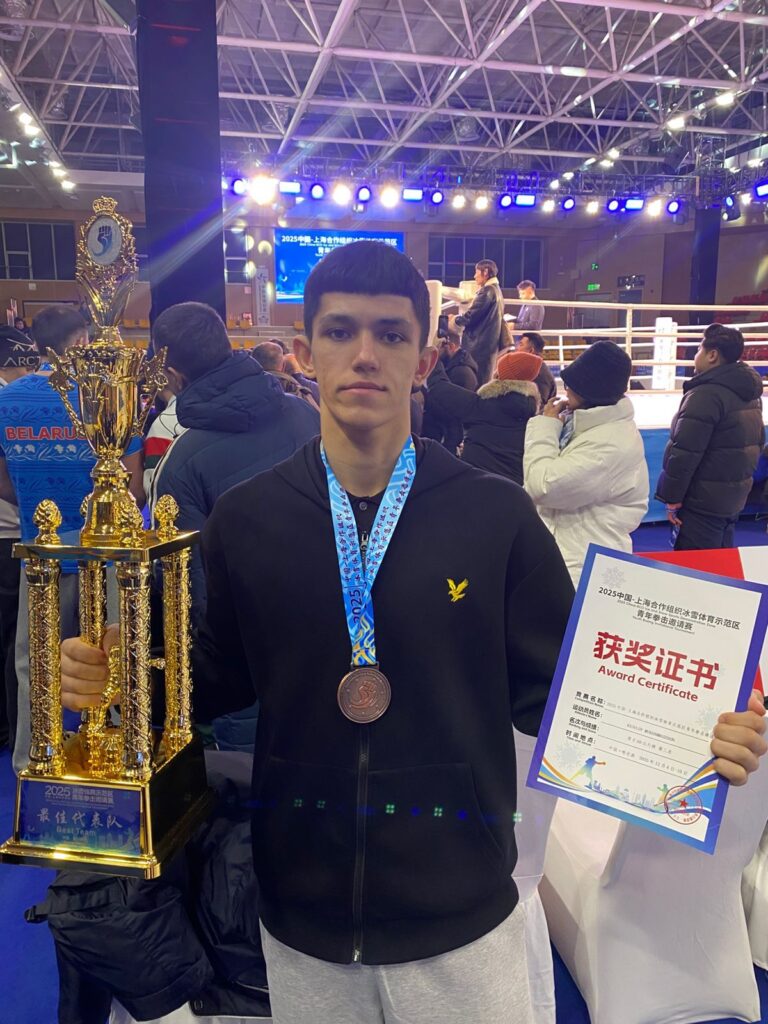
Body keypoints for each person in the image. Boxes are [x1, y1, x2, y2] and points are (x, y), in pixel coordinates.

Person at [59, 243, 768, 1024]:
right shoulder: (248, 519)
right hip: (302, 914)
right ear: (304, 354)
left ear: (424, 360)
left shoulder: (495, 516)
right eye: (340, 331)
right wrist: (125, 681)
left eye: (391, 335)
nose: (365, 354)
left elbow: (561, 695)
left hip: (462, 916)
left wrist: (693, 735)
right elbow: (218, 678)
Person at [0, 306, 144, 773]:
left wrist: (36, 501)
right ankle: (124, 759)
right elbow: (134, 486)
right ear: (81, 341)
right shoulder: (108, 394)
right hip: (108, 555)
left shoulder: (7, 400)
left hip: (40, 553)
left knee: (34, 667)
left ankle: (31, 765)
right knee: (115, 659)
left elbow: (3, 481)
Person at [151, 302, 320, 625]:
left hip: (249, 640)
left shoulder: (179, 465)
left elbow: (189, 592)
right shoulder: (306, 412)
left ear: (173, 375)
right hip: (336, 621)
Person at [524, 340, 649, 586]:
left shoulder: (609, 444)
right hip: (571, 557)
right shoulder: (590, 427)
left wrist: (545, 426)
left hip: (582, 569)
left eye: (572, 384)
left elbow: (542, 486)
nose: (566, 389)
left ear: (590, 391)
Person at [655, 324, 765, 550]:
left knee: (695, 566)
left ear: (712, 355)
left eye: (699, 349)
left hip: (701, 503)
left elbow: (684, 452)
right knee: (720, 561)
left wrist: (671, 497)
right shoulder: (749, 393)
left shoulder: (705, 394)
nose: (696, 355)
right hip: (731, 500)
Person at [0, 327, 37, 751]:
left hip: (17, 531)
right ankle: (17, 737)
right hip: (12, 534)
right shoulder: (10, 400)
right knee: (17, 645)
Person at [426, 349, 541, 484]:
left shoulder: (483, 406)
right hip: (513, 489)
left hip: (477, 484)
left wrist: (434, 356)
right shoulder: (531, 417)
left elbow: (439, 388)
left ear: (500, 376)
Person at [421, 327, 478, 451]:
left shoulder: (461, 372)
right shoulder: (454, 366)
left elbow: (448, 409)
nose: (436, 351)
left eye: (439, 347)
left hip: (447, 441)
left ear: (451, 346)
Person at [452, 258, 505, 386]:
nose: (474, 276)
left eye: (476, 272)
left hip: (478, 346)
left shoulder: (487, 291)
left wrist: (454, 320)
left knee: (475, 382)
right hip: (488, 345)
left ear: (485, 272)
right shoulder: (497, 291)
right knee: (483, 382)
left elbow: (471, 316)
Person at [252, 340, 320, 410]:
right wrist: (297, 375)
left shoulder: (246, 389)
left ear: (252, 362)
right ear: (283, 365)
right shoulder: (301, 393)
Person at [518, 331, 556, 405]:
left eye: (521, 345)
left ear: (531, 351)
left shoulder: (539, 375)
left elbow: (538, 406)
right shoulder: (534, 369)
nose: (517, 349)